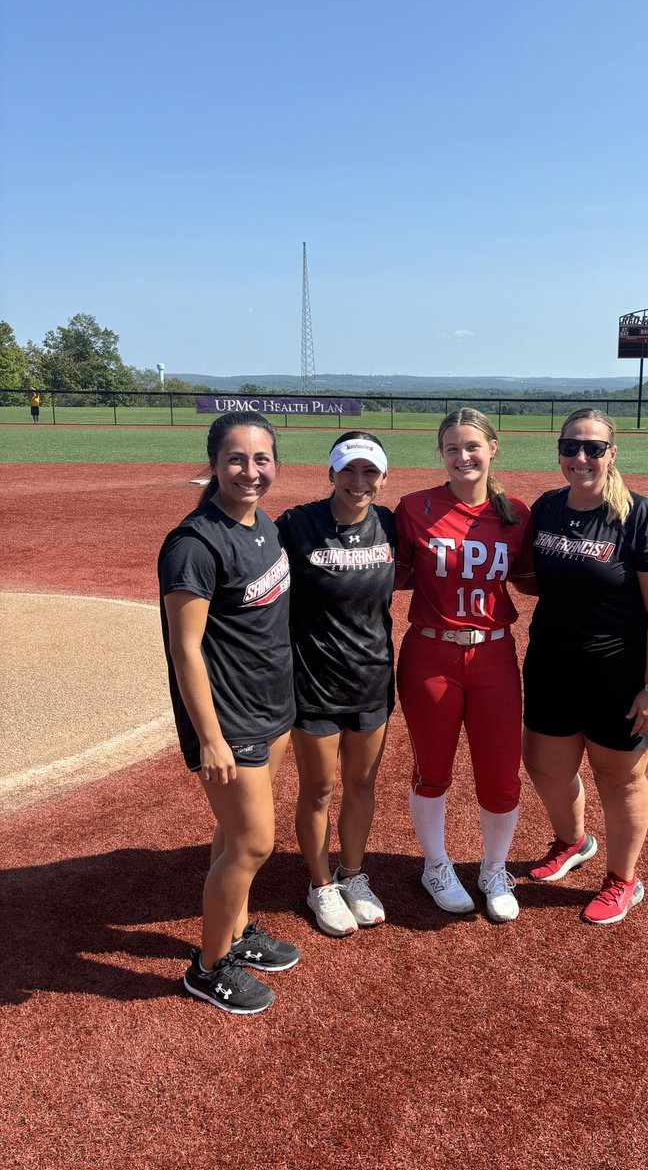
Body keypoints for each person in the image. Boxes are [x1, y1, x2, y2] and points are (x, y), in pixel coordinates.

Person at [158, 411, 299, 1014]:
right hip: (228, 718)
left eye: (261, 458)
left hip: (271, 707)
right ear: (214, 463)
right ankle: (209, 966)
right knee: (253, 842)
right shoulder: (194, 544)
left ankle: (236, 933)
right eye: (236, 459)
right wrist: (210, 738)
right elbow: (184, 649)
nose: (250, 471)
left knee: (232, 833)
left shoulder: (261, 524)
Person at [522, 408, 648, 925]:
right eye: (571, 447)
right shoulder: (547, 508)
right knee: (544, 765)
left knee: (619, 779)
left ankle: (622, 879)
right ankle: (573, 841)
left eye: (593, 448)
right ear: (559, 452)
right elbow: (535, 576)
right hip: (552, 664)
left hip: (620, 674)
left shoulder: (639, 517)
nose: (581, 457)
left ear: (611, 454)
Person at [394, 408, 533, 923]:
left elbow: (532, 578)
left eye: (472, 445)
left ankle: (494, 869)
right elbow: (394, 574)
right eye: (452, 448)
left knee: (500, 775)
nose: (462, 456)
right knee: (432, 771)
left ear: (493, 448)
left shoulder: (516, 513)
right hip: (430, 654)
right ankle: (435, 865)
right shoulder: (416, 507)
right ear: (441, 454)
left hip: (494, 653)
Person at [276, 432, 397, 938]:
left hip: (372, 678)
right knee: (319, 787)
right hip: (314, 681)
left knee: (362, 784)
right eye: (348, 470)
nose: (358, 481)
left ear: (383, 478)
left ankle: (353, 874)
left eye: (369, 471)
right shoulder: (297, 524)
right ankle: (321, 883)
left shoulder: (389, 524)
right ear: (331, 473)